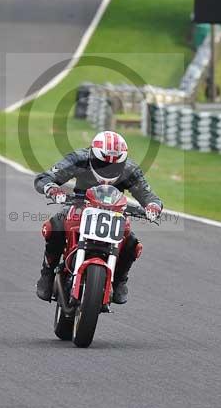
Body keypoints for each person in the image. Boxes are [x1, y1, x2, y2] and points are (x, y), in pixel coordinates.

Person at [34, 130, 162, 304]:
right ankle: (47, 273)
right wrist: (52, 188)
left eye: (114, 165)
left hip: (115, 212)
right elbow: (45, 177)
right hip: (79, 206)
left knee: (132, 243)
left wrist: (153, 206)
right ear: (93, 155)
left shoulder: (130, 169)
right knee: (55, 225)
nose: (107, 168)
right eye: (102, 164)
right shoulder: (79, 159)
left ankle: (119, 280)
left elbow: (148, 195)